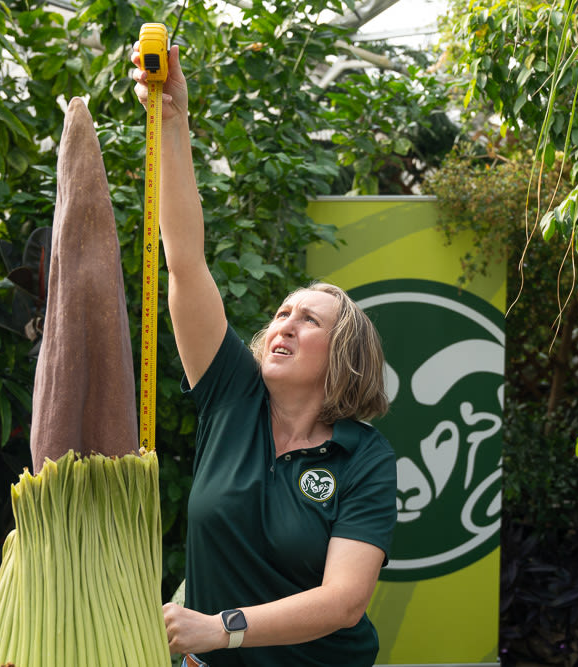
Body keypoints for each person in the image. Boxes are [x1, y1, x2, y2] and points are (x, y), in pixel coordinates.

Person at [131, 42, 398, 667]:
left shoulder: (364, 458)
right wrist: (172, 124)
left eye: (309, 320)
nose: (285, 323)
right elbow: (186, 259)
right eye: (281, 312)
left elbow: (343, 602)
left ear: (345, 359)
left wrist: (219, 628)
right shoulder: (232, 396)